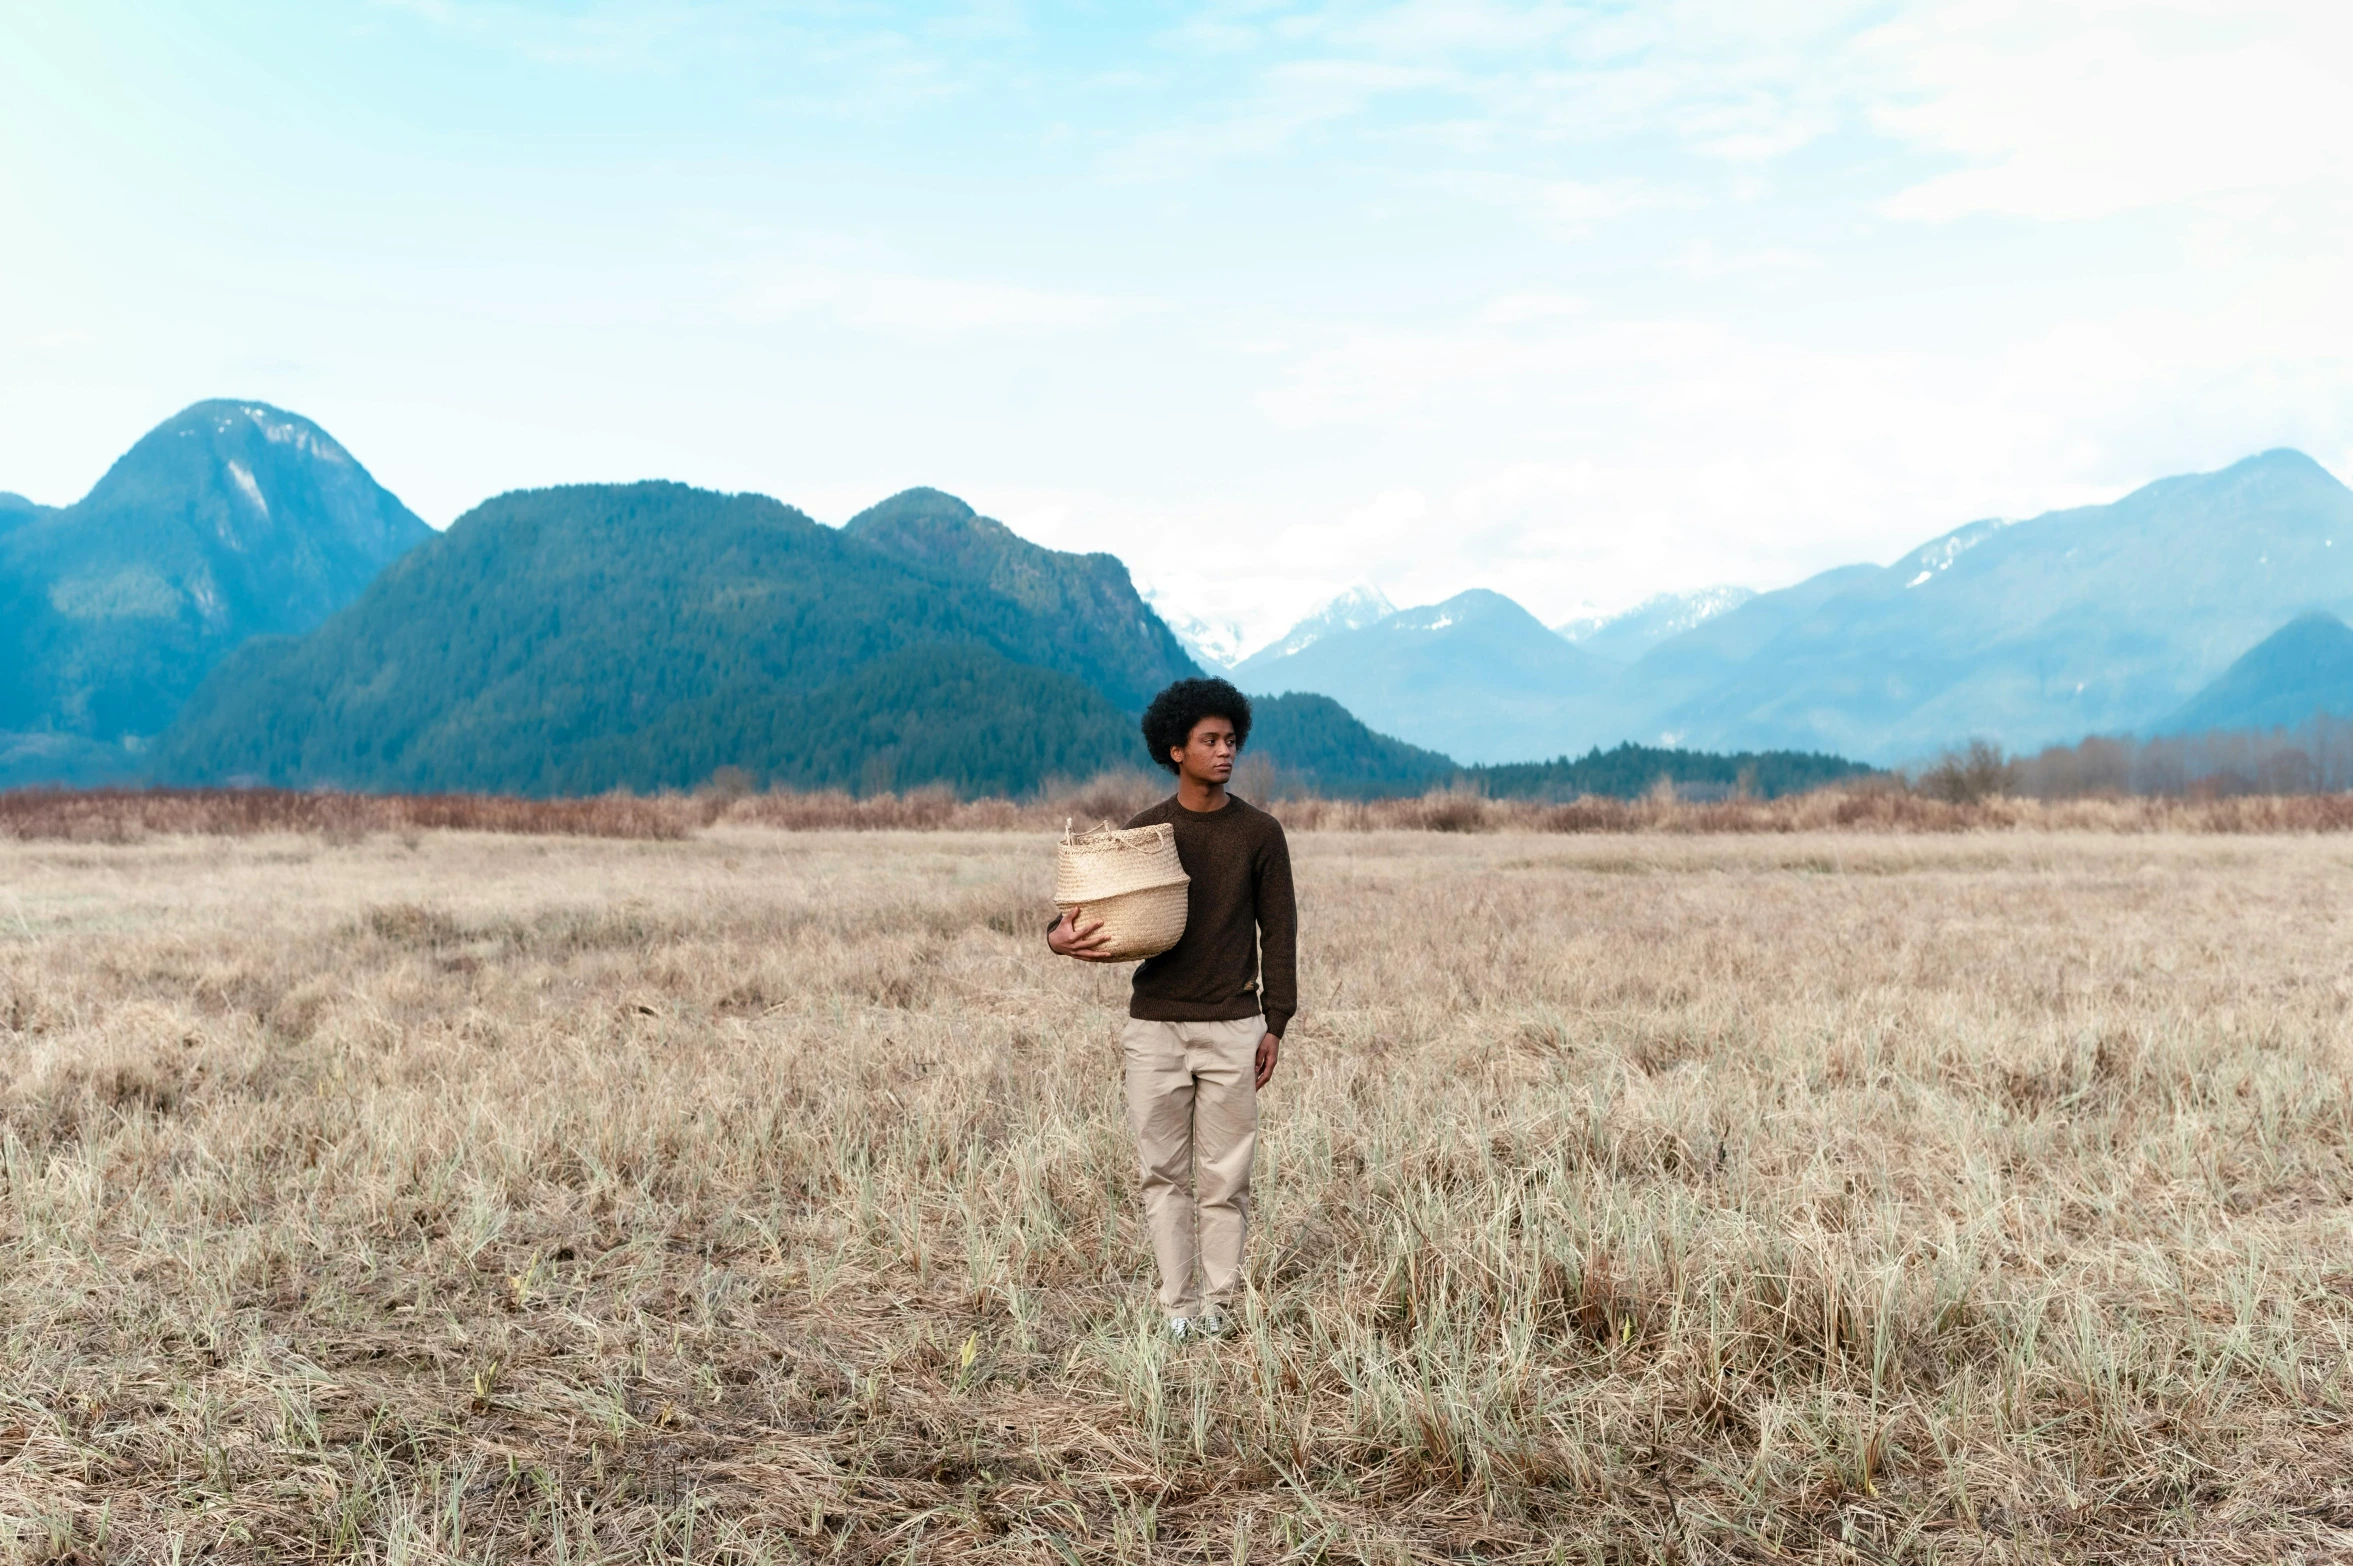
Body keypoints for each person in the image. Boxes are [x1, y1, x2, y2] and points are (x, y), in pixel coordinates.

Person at [1049, 677, 1296, 1340]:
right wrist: (1059, 940)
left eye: (1231, 739)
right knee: (1161, 1176)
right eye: (1209, 740)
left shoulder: (1260, 833)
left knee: (1225, 1180)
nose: (1225, 751)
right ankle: (1176, 1309)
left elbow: (1280, 930)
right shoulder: (1147, 832)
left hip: (1233, 1027)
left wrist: (1275, 1022)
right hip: (1153, 1029)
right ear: (1174, 749)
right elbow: (1073, 916)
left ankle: (1218, 1307)